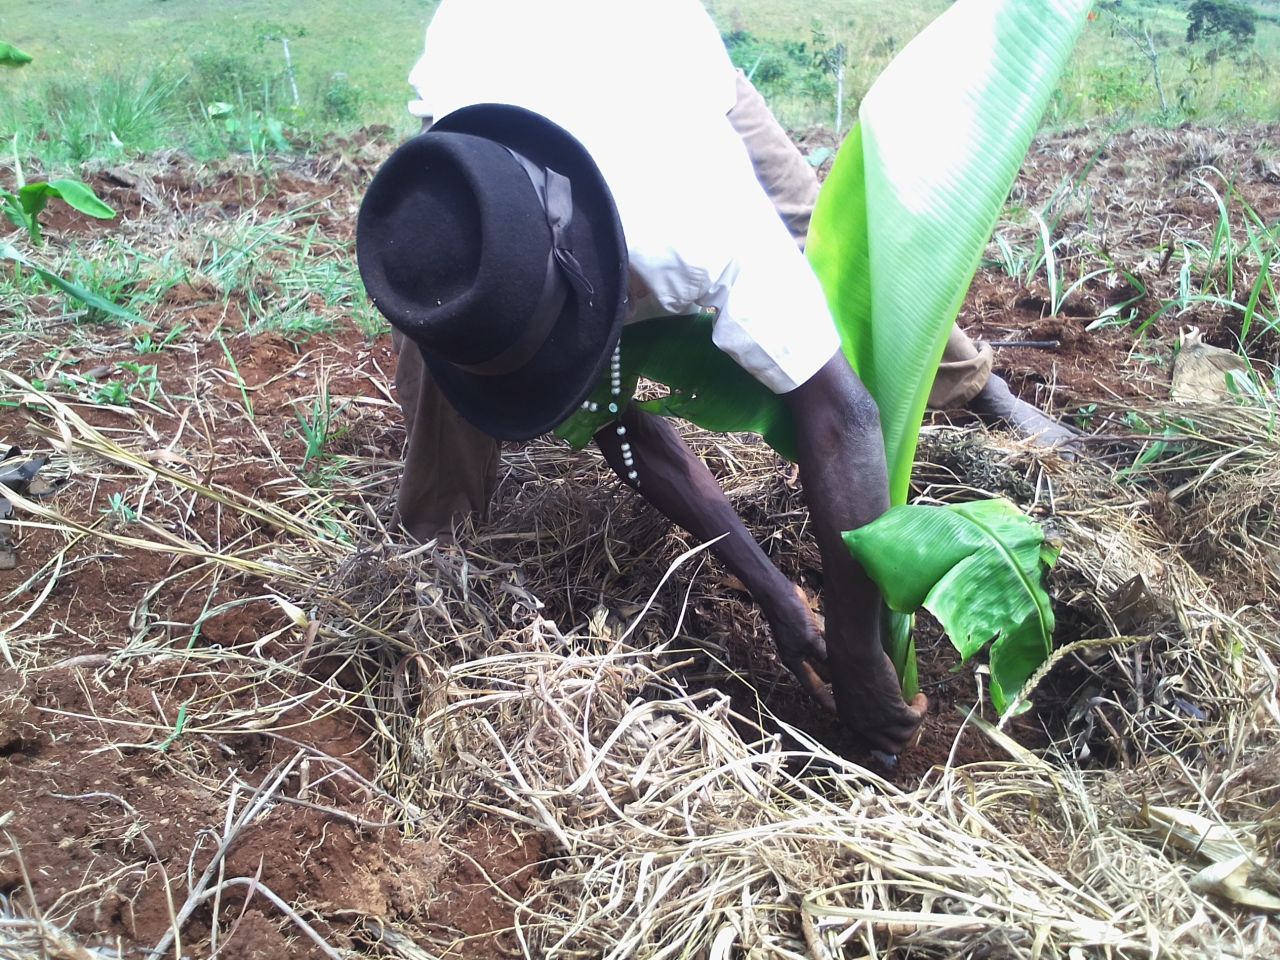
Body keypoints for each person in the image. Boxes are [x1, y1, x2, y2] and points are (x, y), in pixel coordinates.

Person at [357, 0, 1073, 755]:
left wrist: (862, 657)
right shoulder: (444, 220)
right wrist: (776, 596)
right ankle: (430, 581)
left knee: (850, 256)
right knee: (444, 376)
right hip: (505, 74)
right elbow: (619, 422)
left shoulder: (694, 219)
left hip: (663, 51)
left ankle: (977, 385)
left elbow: (842, 415)